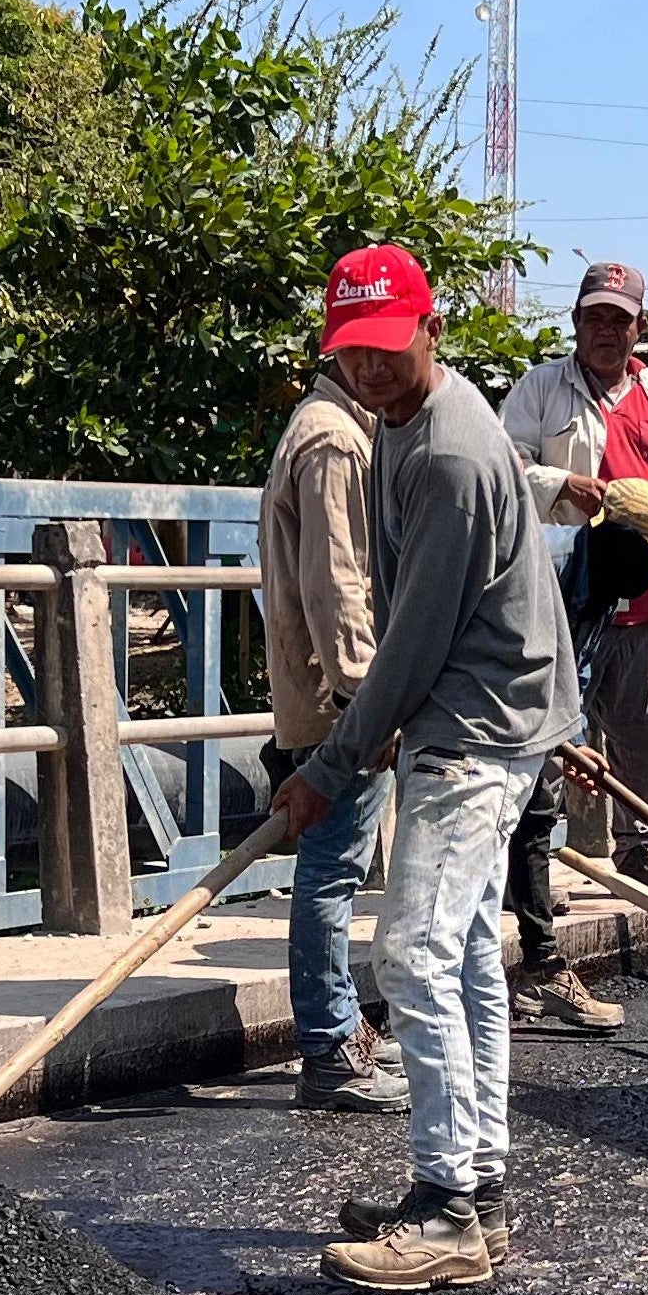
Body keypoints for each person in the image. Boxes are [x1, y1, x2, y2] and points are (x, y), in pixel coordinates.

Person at [269, 243, 582, 1292]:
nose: (370, 367)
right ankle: (477, 1187)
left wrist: (335, 760)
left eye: (387, 346)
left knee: (410, 954)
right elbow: (420, 613)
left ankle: (446, 1209)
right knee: (457, 956)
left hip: (476, 728)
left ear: (429, 330)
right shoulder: (402, 428)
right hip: (487, 709)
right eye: (351, 350)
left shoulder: (445, 452)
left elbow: (412, 633)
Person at [497, 261, 648, 922]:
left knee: (642, 735)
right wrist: (562, 486)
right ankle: (525, 870)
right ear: (575, 323)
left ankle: (640, 848)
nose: (605, 331)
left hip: (643, 594)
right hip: (562, 598)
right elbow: (503, 465)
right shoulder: (540, 390)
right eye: (594, 318)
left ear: (637, 328)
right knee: (546, 738)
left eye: (617, 320)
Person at [258, 344, 407, 1113]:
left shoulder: (333, 428)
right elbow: (337, 583)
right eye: (363, 351)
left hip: (329, 696)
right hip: (336, 703)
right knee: (331, 876)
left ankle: (339, 1034)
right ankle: (328, 1048)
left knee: (332, 871)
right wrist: (363, 699)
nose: (378, 366)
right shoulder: (335, 440)